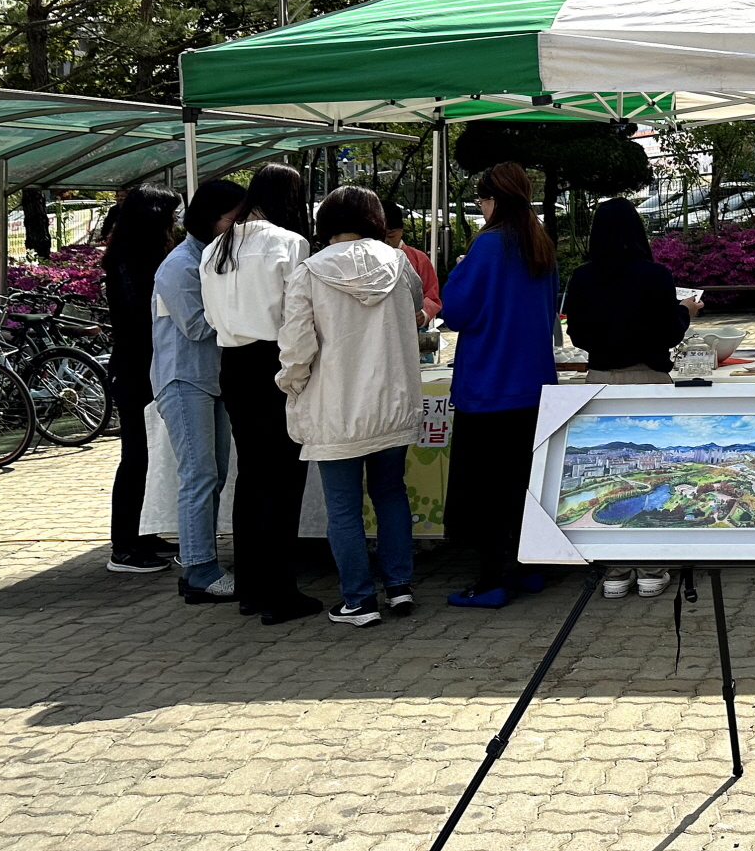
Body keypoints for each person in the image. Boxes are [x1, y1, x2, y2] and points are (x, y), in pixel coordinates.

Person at [278, 187, 426, 628]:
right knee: (391, 493)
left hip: (335, 408)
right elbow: (415, 310)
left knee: (343, 507)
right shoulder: (398, 263)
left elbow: (296, 347)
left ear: (325, 223)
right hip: (392, 403)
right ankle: (399, 586)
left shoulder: (309, 272)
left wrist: (291, 386)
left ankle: (359, 601)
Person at [200, 164, 318, 625]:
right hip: (275, 362)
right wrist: (298, 373)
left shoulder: (215, 248)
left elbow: (212, 318)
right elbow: (298, 318)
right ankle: (280, 592)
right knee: (284, 479)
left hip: (233, 363)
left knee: (251, 477)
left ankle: (251, 587)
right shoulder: (290, 243)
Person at [442, 161, 561, 609]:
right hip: (533, 383)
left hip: (488, 384)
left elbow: (455, 311)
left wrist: (459, 269)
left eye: (481, 201)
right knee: (522, 485)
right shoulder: (539, 241)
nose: (480, 208)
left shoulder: (488, 245)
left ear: (493, 200)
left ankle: (490, 580)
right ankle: (529, 568)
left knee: (485, 491)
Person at [565, 196, 692, 601]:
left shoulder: (581, 278)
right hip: (649, 377)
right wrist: (686, 311)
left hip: (599, 380)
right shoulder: (655, 275)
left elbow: (577, 334)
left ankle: (615, 572)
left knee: (609, 462)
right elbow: (670, 331)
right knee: (661, 463)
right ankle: (652, 570)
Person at [152, 177, 247, 603]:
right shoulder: (179, 265)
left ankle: (201, 562)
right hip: (184, 380)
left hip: (212, 381)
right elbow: (194, 326)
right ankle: (199, 569)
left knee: (216, 474)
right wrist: (247, 312)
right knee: (199, 475)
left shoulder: (212, 257)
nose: (238, 228)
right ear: (210, 218)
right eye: (232, 219)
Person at [103, 185, 183, 575]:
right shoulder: (131, 260)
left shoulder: (137, 255)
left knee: (149, 453)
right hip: (136, 368)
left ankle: (143, 532)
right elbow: (141, 319)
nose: (175, 222)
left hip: (142, 364)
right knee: (136, 456)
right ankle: (123, 546)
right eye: (171, 215)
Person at [382, 201, 441, 324]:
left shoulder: (419, 258)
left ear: (401, 230)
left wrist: (424, 314)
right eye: (381, 237)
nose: (387, 241)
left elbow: (432, 294)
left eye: (391, 236)